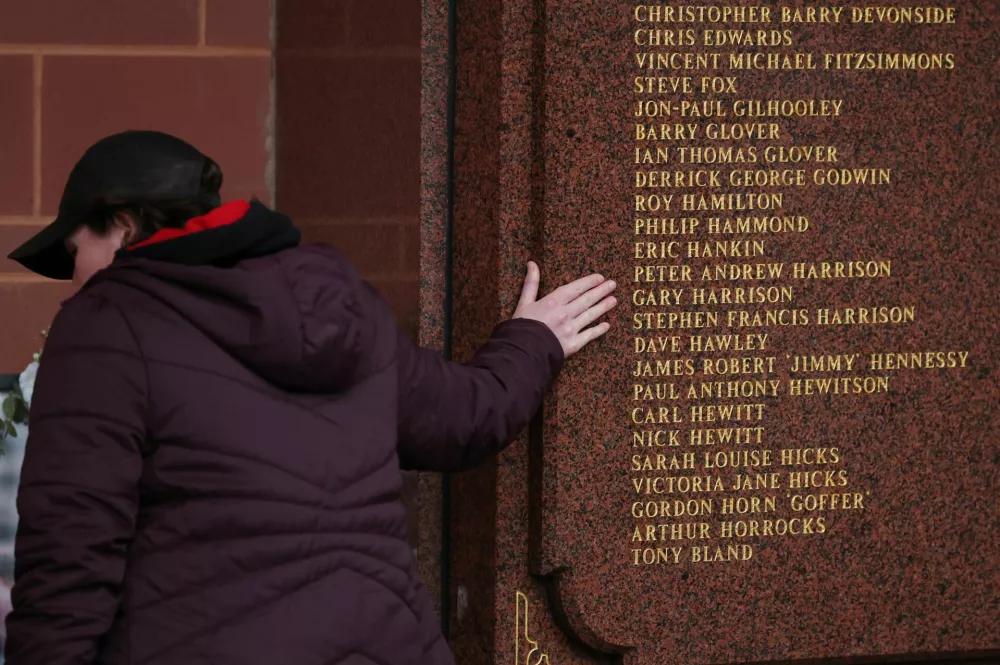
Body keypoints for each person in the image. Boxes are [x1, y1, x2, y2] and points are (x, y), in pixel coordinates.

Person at [3, 131, 617, 664]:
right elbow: (462, 417)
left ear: (124, 229)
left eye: (73, 251)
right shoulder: (338, 302)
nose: (74, 275)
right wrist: (534, 342)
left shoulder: (105, 323)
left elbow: (69, 561)